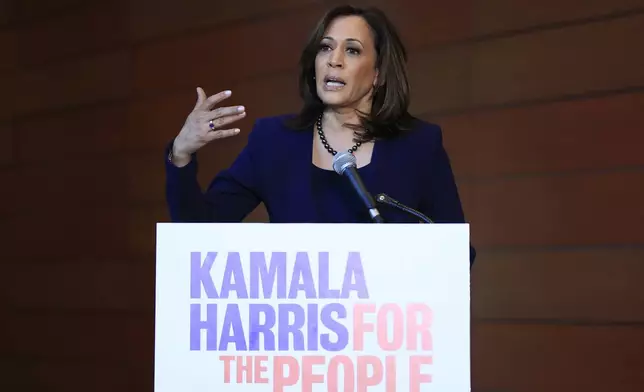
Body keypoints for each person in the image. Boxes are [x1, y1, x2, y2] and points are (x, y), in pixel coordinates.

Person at [164, 5, 476, 266]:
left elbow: (457, 253)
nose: (334, 59)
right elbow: (199, 231)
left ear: (378, 73)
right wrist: (181, 154)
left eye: (352, 50)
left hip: (383, 332)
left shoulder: (418, 146)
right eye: (325, 47)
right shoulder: (273, 142)